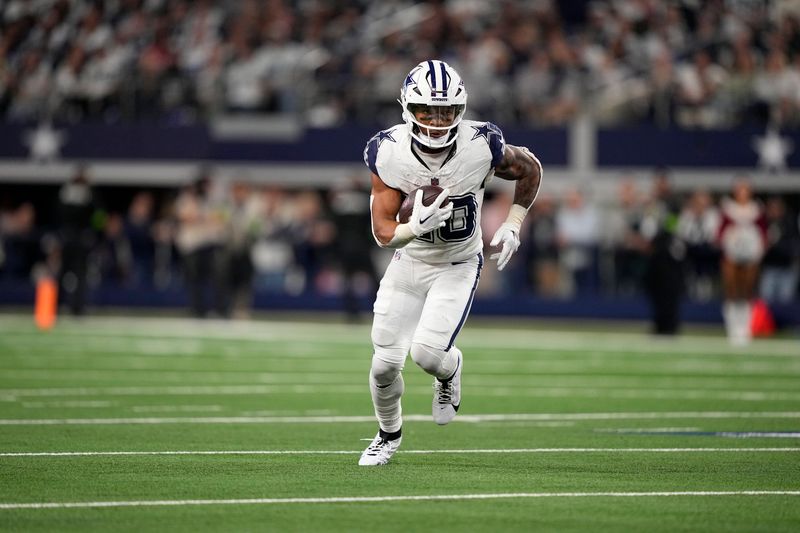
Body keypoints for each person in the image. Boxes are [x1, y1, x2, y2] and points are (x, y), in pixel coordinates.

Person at [359, 60, 542, 466]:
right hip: (409, 260)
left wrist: (514, 223)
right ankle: (387, 436)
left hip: (458, 263)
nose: (438, 120)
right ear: (408, 108)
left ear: (460, 110)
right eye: (427, 110)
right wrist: (412, 227)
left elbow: (530, 167)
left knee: (426, 354)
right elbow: (383, 232)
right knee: (384, 364)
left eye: (446, 111)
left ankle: (449, 368)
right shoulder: (387, 151)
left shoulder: (482, 143)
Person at [718, 178, 767, 346]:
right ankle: (732, 327)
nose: (743, 193)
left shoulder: (757, 210)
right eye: (740, 189)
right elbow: (720, 233)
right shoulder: (728, 209)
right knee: (731, 289)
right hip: (731, 255)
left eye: (745, 189)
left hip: (751, 256)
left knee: (747, 290)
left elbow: (763, 233)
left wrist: (756, 249)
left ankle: (745, 327)